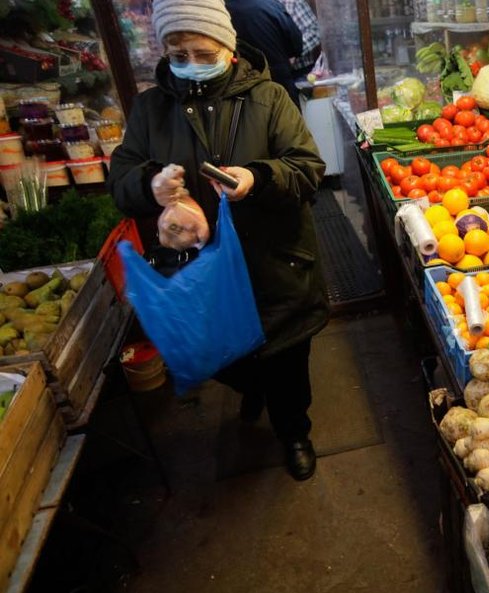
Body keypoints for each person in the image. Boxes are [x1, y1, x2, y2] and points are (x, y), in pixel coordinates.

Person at [108, 0, 329, 481]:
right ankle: (255, 387)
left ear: (228, 49)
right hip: (201, 264)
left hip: (274, 258)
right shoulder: (151, 109)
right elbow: (121, 177)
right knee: (224, 351)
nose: (190, 62)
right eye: (178, 51)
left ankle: (295, 432)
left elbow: (308, 170)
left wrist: (257, 179)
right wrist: (152, 188)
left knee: (288, 358)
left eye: (203, 52)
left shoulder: (269, 99)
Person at [225, 0, 304, 104]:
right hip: (280, 83)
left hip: (240, 89)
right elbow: (297, 46)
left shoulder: (221, 12)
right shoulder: (271, 5)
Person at [277, 0, 322, 79]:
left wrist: (293, 53)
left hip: (301, 72)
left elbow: (315, 32)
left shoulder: (292, 3)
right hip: (276, 74)